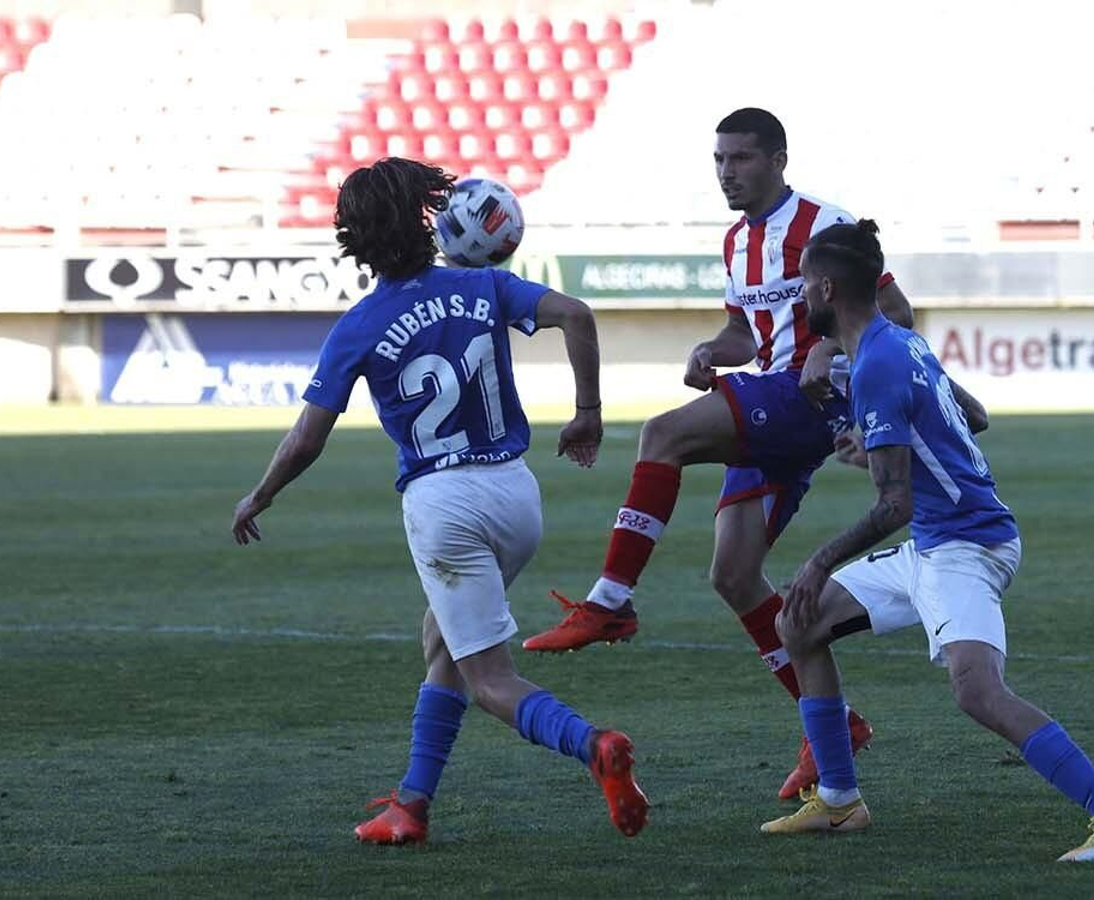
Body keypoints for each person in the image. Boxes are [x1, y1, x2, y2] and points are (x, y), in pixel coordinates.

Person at [520, 107, 949, 800]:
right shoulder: (736, 241)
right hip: (774, 394)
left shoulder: (824, 223)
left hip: (811, 400)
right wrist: (710, 351)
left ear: (778, 160)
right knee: (734, 574)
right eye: (719, 159)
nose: (727, 172)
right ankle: (835, 726)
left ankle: (610, 601)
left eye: (741, 158)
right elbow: (745, 335)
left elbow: (894, 313)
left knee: (662, 434)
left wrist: (830, 348)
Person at [229, 157, 648, 844]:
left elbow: (308, 437)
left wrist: (261, 493)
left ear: (353, 238)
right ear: (428, 219)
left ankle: (593, 744)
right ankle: (411, 805)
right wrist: (588, 414)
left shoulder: (359, 326)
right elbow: (575, 314)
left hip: (443, 503)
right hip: (516, 494)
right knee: (441, 638)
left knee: (489, 681)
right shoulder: (483, 285)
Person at [760, 220, 1094, 864]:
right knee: (798, 623)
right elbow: (973, 417)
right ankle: (838, 799)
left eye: (804, 284)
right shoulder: (902, 344)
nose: (800, 295)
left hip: (966, 545)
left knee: (977, 689)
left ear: (827, 288)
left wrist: (817, 560)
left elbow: (894, 505)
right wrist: (885, 445)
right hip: (935, 540)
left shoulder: (877, 363)